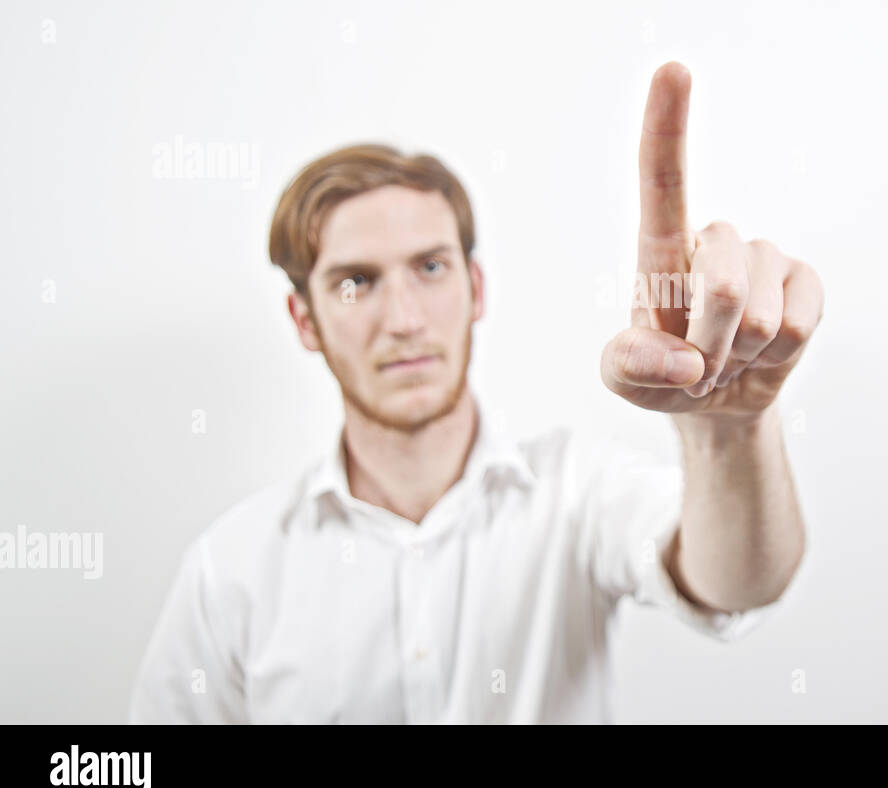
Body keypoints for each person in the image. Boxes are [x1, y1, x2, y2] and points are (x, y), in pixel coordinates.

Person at [127, 62, 824, 723]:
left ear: (476, 288)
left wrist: (732, 431)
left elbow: (736, 582)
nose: (403, 318)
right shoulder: (232, 569)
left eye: (430, 266)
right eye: (355, 282)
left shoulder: (576, 494)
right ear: (304, 319)